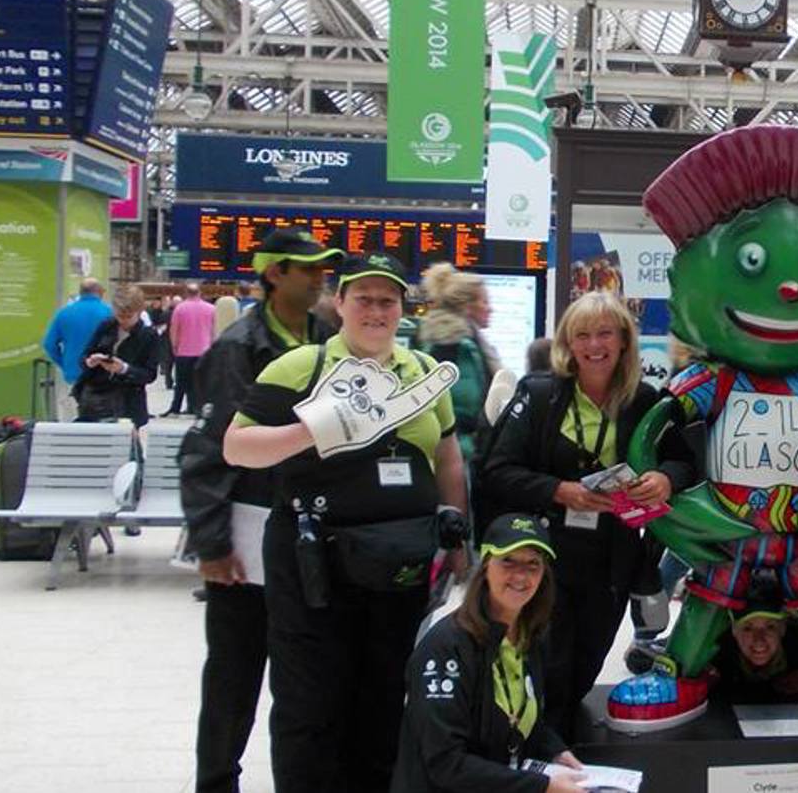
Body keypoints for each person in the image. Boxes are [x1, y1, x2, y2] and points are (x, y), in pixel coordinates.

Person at [223, 252, 469, 792]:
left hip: (400, 563)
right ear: (340, 303)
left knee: (383, 694)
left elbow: (447, 456)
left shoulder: (425, 374)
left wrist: (457, 536)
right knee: (310, 700)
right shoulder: (300, 368)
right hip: (313, 564)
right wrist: (315, 428)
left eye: (387, 300)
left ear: (403, 309)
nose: (375, 311)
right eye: (364, 298)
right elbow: (237, 446)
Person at [479, 291, 691, 742]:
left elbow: (682, 460)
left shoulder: (644, 400)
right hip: (547, 555)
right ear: (568, 343)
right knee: (547, 664)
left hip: (611, 557)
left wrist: (664, 479)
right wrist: (560, 491)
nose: (595, 344)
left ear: (623, 341)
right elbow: (497, 470)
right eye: (583, 335)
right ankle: (540, 756)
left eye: (605, 333)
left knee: (586, 665)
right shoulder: (539, 394)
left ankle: (566, 753)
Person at [179, 228, 341, 793]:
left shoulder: (330, 337)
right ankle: (217, 782)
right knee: (234, 675)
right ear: (274, 274)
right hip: (247, 537)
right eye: (308, 269)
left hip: (313, 534)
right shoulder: (237, 348)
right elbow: (205, 452)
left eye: (323, 268)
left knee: (303, 679)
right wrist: (212, 544)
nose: (321, 277)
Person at [391, 513, 588, 793]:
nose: (521, 575)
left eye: (533, 564)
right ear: (485, 565)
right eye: (508, 561)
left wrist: (555, 750)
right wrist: (542, 786)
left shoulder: (531, 635)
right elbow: (445, 763)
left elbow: (519, 721)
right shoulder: (445, 647)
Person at [416, 263, 501, 462]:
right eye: (484, 301)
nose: (490, 308)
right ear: (467, 306)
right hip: (458, 457)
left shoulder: (462, 342)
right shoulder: (453, 346)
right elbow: (460, 412)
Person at [709, 581, 798, 705]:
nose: (759, 640)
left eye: (770, 627)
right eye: (748, 628)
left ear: (783, 628)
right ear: (734, 630)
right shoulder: (714, 652)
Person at [72, 285, 159, 426]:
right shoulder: (106, 326)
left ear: (140, 311)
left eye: (129, 316)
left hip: (128, 402)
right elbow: (85, 356)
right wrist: (90, 362)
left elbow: (150, 374)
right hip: (96, 398)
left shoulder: (148, 335)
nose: (123, 320)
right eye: (119, 315)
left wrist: (124, 369)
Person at [41, 277, 113, 420]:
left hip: (72, 375)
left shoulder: (64, 313)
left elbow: (49, 344)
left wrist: (63, 363)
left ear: (80, 292)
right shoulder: (109, 313)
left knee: (70, 424)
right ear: (100, 292)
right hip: (103, 377)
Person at [168, 283, 218, 416]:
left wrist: (174, 346)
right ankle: (198, 408)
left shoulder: (179, 308)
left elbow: (174, 330)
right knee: (201, 383)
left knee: (181, 382)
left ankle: (175, 408)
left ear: (186, 293)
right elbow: (214, 330)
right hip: (204, 351)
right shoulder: (211, 309)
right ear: (200, 292)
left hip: (184, 351)